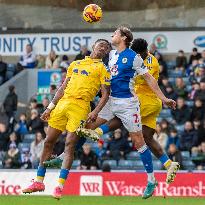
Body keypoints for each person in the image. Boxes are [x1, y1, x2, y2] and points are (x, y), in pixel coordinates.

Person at [45, 37, 179, 195]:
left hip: (143, 100)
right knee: (145, 139)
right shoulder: (125, 55)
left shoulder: (148, 62)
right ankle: (168, 163)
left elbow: (136, 77)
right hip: (143, 101)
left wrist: (164, 98)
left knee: (125, 120)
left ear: (142, 53)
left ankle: (96, 135)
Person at [22, 39, 111, 199]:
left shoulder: (103, 68)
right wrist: (49, 107)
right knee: (48, 141)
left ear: (106, 53)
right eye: (101, 45)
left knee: (70, 144)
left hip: (81, 106)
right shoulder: (75, 64)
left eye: (106, 48)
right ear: (94, 46)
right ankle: (39, 181)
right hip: (62, 105)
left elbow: (106, 94)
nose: (103, 48)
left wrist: (96, 111)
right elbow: (62, 88)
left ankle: (59, 186)